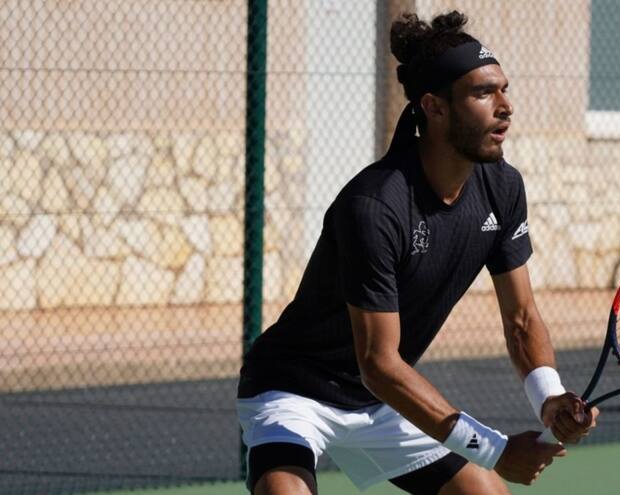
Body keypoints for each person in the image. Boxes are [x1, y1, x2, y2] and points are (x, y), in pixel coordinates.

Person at [237, 10, 598, 495]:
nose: (505, 106)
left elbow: (522, 318)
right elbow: (380, 363)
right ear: (435, 106)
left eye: (503, 89)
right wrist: (494, 449)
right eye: (482, 92)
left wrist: (550, 397)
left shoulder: (502, 188)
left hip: (381, 402)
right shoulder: (375, 206)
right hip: (295, 391)